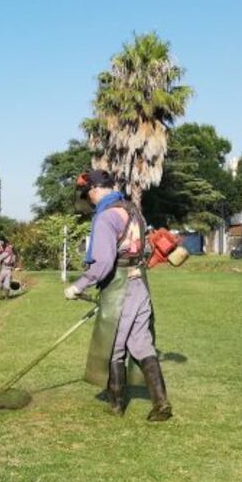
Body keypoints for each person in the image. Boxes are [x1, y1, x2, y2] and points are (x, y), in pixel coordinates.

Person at [62, 169, 172, 421]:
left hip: (119, 288)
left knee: (114, 347)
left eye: (88, 195)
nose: (89, 201)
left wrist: (77, 286)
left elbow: (101, 264)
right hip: (140, 284)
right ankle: (161, 403)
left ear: (95, 190)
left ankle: (116, 405)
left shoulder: (106, 217)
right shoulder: (133, 211)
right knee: (141, 343)